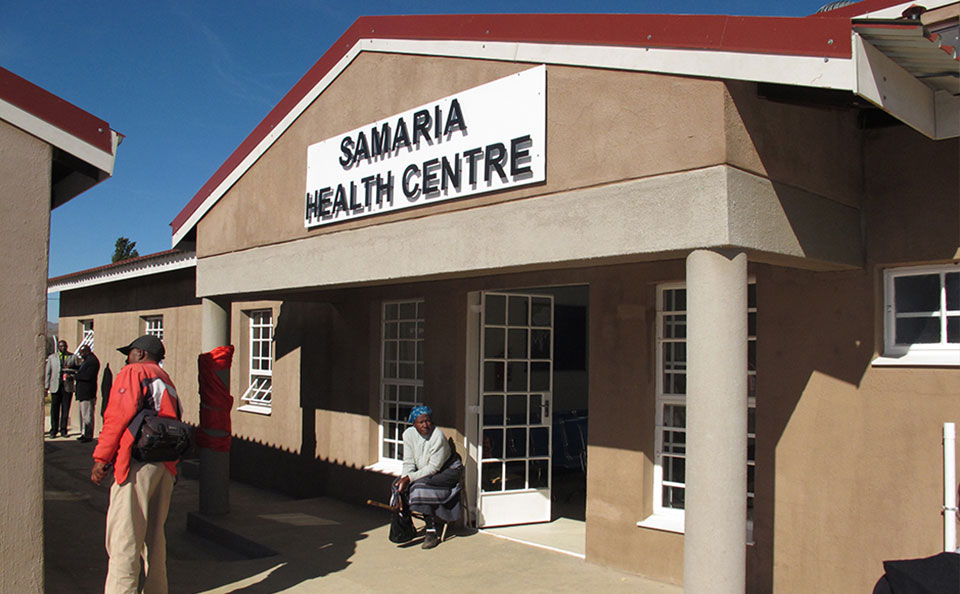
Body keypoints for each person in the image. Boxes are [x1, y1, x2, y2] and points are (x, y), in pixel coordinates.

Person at [91, 335, 182, 594]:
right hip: (165, 466)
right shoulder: (166, 380)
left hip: (137, 465)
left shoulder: (134, 372)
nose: (126, 358)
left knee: (125, 537)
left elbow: (117, 417)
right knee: (154, 538)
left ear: (140, 353)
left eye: (129, 352)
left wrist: (102, 458)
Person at [390, 405, 462, 549]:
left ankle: (431, 532)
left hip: (447, 471)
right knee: (398, 485)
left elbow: (433, 468)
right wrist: (405, 480)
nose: (425, 425)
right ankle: (406, 525)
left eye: (428, 421)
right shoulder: (409, 435)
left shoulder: (437, 437)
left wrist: (410, 479)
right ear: (414, 423)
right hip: (425, 471)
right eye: (421, 422)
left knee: (419, 488)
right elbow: (409, 462)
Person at [47, 340, 79, 437]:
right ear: (58, 348)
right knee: (54, 409)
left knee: (65, 409)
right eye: (61, 346)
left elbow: (77, 370)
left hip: (67, 386)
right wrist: (46, 386)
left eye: (65, 346)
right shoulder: (52, 358)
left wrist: (72, 375)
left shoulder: (73, 357)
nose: (63, 348)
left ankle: (63, 430)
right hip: (55, 386)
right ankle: (53, 430)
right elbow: (48, 372)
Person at [74, 345, 101, 442]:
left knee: (87, 415)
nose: (81, 355)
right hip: (82, 393)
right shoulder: (86, 361)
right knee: (83, 415)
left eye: (82, 353)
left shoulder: (92, 361)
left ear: (87, 351)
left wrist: (75, 376)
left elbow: (88, 376)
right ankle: (83, 433)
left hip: (87, 392)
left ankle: (88, 435)